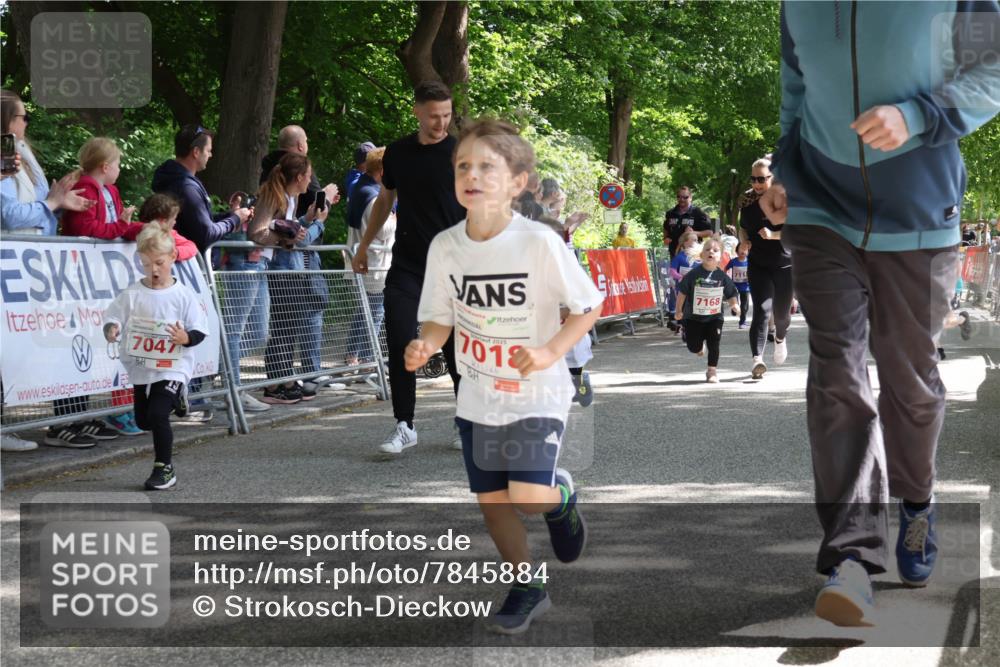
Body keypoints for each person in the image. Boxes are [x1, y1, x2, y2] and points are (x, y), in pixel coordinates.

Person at [771, 0, 1000, 627]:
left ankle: (918, 504)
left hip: (920, 212)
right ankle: (851, 556)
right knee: (838, 372)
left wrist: (918, 116)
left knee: (910, 378)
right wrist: (783, 168)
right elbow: (796, 87)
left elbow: (991, 72)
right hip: (819, 207)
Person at [404, 118, 602, 634]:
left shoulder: (538, 242)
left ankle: (561, 498)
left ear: (517, 182)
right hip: (478, 396)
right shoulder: (445, 246)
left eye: (486, 167)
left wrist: (549, 351)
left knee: (529, 498)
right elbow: (440, 315)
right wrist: (427, 343)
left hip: (536, 393)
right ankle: (528, 584)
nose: (472, 175)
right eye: (463, 166)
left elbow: (586, 306)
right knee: (494, 506)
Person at [351, 81, 467, 454]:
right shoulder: (398, 153)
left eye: (447, 115)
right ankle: (404, 425)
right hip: (408, 266)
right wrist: (364, 245)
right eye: (434, 116)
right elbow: (386, 198)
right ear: (417, 111)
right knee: (401, 339)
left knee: (456, 349)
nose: (441, 123)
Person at [0, 90, 111, 449]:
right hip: (14, 263)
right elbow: (10, 215)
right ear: (8, 121)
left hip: (33, 262)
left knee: (30, 345)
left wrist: (61, 204)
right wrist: (51, 202)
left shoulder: (23, 155)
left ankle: (18, 425)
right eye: (22, 116)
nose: (27, 122)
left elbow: (36, 209)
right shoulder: (6, 157)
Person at [152, 125, 252, 421]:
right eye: (208, 150)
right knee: (192, 331)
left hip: (183, 267)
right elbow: (205, 235)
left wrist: (231, 216)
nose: (211, 155)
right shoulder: (185, 186)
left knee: (190, 332)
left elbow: (202, 224)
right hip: (183, 269)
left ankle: (190, 395)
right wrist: (235, 220)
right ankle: (189, 396)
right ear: (195, 152)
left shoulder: (182, 182)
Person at [103, 225, 209, 490]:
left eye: (159, 263)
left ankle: (164, 469)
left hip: (173, 366)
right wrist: (111, 328)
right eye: (146, 264)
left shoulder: (182, 295)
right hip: (142, 366)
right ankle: (179, 400)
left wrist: (185, 338)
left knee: (159, 414)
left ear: (173, 257)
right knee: (144, 420)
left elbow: (199, 330)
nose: (153, 270)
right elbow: (113, 315)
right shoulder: (133, 293)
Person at [61, 137, 145, 437]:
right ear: (105, 166)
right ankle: (76, 416)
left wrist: (145, 228)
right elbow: (87, 229)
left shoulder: (111, 190)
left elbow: (118, 225)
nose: (120, 169)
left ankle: (109, 411)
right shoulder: (85, 187)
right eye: (119, 164)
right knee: (83, 340)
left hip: (104, 276)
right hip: (83, 275)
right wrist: (123, 227)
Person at [249, 152, 330, 404]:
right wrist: (288, 237)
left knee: (289, 327)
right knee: (281, 327)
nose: (310, 182)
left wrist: (304, 220)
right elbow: (258, 231)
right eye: (308, 176)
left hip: (290, 269)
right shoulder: (273, 196)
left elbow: (289, 227)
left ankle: (283, 378)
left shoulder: (290, 199)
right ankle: (276, 382)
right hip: (279, 270)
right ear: (298, 177)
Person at [738, 156, 793, 380]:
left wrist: (774, 235)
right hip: (758, 264)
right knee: (761, 310)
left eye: (762, 179)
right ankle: (757, 361)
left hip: (785, 264)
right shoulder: (747, 200)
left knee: (781, 316)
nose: (757, 184)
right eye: (753, 179)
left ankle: (780, 338)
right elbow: (743, 228)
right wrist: (743, 241)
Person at [346, 147, 394, 367]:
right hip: (374, 265)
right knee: (374, 313)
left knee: (363, 312)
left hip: (366, 261)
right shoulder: (373, 196)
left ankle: (352, 357)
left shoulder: (360, 188)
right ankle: (368, 360)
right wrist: (394, 216)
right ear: (383, 170)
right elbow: (382, 231)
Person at [674, 239, 740, 383]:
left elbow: (731, 293)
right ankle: (698, 347)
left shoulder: (722, 276)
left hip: (714, 317)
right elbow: (682, 292)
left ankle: (712, 371)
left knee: (714, 343)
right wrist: (679, 310)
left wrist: (734, 305)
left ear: (721, 256)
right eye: (708, 249)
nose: (711, 252)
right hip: (693, 318)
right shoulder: (693, 274)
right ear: (702, 255)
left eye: (715, 250)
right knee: (693, 346)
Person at [663, 186, 711, 256]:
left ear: (691, 198)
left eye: (685, 197)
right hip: (674, 253)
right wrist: (665, 238)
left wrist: (693, 233)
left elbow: (709, 232)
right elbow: (665, 228)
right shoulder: (670, 213)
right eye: (679, 197)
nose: (681, 199)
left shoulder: (698, 213)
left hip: (692, 253)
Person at [726, 243, 751, 328]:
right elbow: (725, 269)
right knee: (735, 303)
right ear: (737, 251)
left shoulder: (749, 261)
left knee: (745, 306)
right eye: (741, 249)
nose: (743, 251)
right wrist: (726, 279)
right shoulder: (733, 261)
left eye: (745, 249)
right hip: (735, 286)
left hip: (746, 287)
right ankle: (734, 309)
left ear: (748, 251)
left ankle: (742, 322)